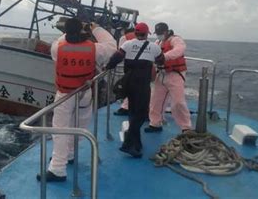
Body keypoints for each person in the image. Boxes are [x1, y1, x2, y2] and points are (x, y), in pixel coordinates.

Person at [37, 17, 116, 182]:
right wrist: (94, 28)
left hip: (65, 95)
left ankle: (58, 168)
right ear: (82, 30)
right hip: (84, 93)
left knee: (60, 130)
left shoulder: (57, 48)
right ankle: (71, 154)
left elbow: (63, 40)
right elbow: (112, 45)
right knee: (79, 125)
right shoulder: (95, 49)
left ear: (65, 32)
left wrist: (69, 31)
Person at [106, 22, 164, 158]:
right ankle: (128, 144)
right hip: (142, 84)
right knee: (142, 114)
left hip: (129, 83)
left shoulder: (127, 44)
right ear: (147, 34)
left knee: (133, 111)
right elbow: (161, 60)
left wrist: (108, 67)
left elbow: (116, 58)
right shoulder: (154, 47)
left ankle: (136, 145)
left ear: (136, 33)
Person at [145, 22, 192, 133]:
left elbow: (179, 50)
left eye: (160, 33)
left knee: (178, 102)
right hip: (161, 74)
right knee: (155, 101)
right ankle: (155, 123)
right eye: (157, 33)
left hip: (175, 74)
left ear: (166, 31)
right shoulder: (157, 42)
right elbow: (151, 52)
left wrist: (164, 57)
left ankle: (186, 128)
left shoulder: (176, 40)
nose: (159, 35)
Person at [114, 25, 136, 116]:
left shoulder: (124, 38)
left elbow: (121, 52)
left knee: (128, 87)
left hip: (129, 66)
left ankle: (125, 108)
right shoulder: (142, 38)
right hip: (142, 67)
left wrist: (111, 64)